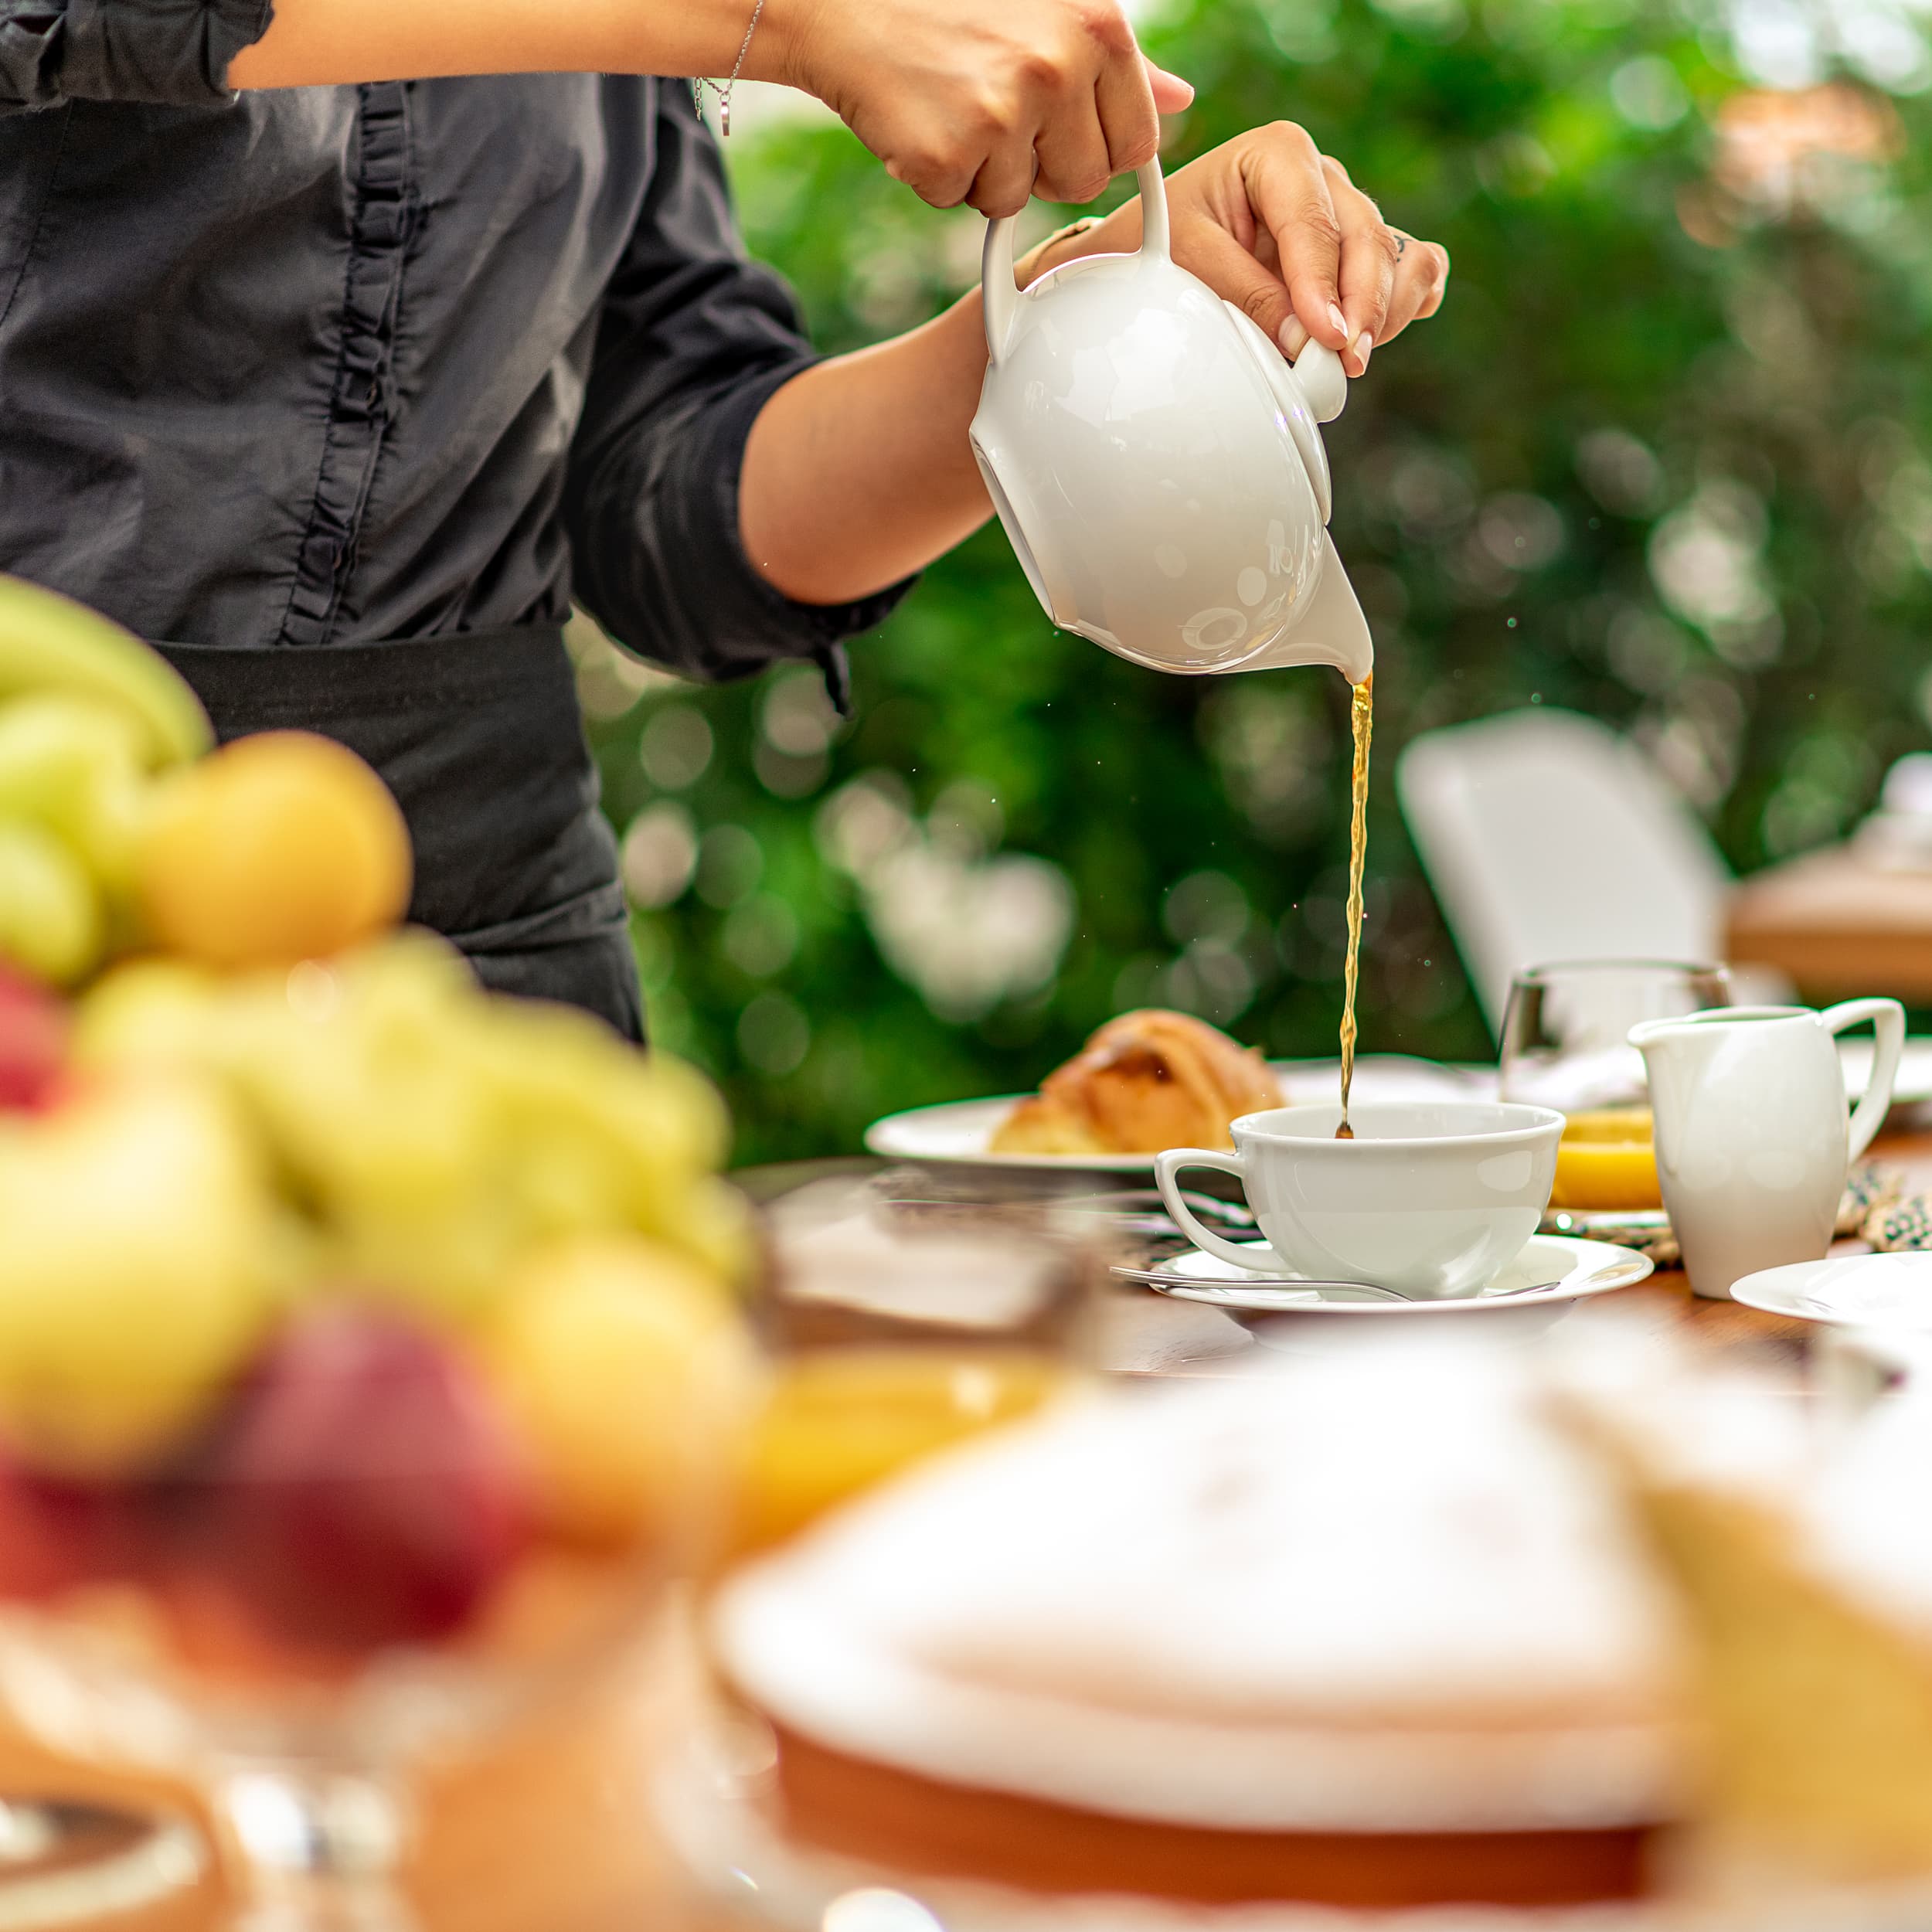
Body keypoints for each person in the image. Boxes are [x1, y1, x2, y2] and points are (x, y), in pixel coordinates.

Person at [0, 0, 1450, 1039]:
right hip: (52, 915)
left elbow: (666, 505)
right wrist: (780, 20)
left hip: (492, 972)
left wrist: (1084, 305)